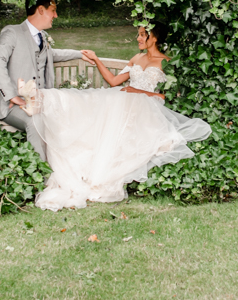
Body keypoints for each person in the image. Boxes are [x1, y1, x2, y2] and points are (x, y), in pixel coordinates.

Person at [30, 23, 211, 211]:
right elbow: (114, 81)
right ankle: (43, 98)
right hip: (123, 101)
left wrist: (139, 92)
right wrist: (96, 59)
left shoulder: (166, 62)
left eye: (143, 35)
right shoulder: (136, 57)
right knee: (89, 102)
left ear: (154, 38)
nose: (138, 38)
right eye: (139, 35)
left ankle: (40, 98)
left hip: (145, 108)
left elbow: (165, 96)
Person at [0, 0, 85, 160]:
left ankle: (69, 165)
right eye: (53, 10)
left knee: (71, 113)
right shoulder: (13, 33)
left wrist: (80, 54)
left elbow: (49, 54)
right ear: (41, 10)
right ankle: (42, 174)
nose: (56, 15)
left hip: (42, 101)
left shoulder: (42, 37)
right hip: (15, 108)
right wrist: (12, 96)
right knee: (36, 120)